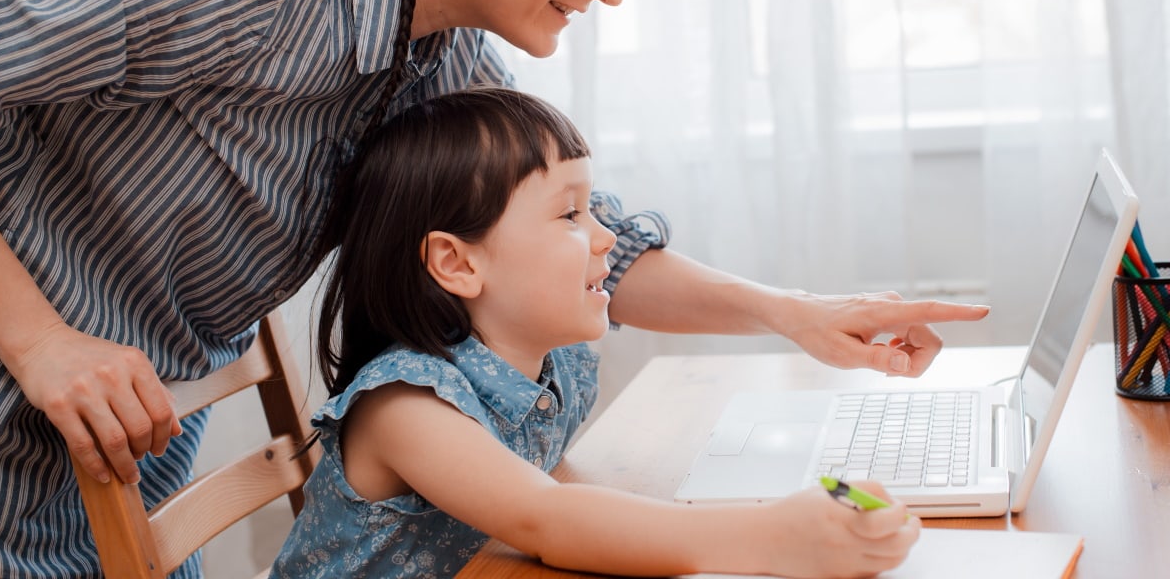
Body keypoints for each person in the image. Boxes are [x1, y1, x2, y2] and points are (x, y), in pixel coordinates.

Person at [0, 0, 985, 577]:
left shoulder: (438, 55)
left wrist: (796, 312)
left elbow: (595, 245)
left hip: (122, 468)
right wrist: (40, 339)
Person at [271, 86, 921, 579]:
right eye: (570, 213)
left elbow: (546, 500)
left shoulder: (559, 363)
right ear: (457, 263)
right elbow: (543, 518)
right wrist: (773, 537)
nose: (607, 237)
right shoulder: (404, 406)